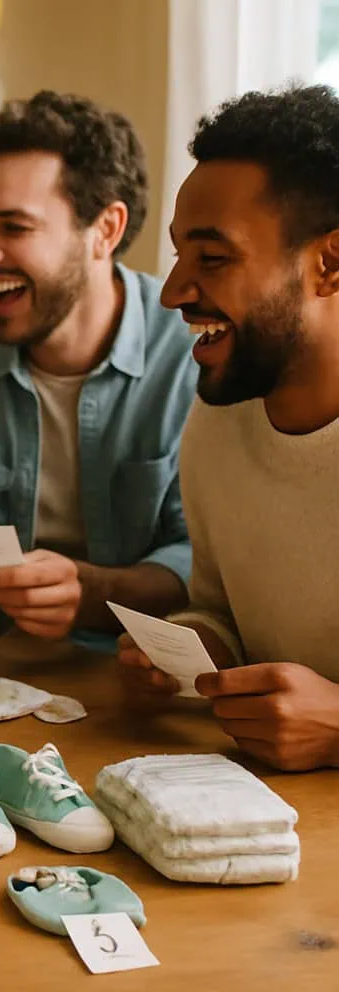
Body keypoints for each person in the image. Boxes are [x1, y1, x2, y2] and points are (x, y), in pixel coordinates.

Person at [0, 90, 197, 661]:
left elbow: (200, 559)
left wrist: (91, 592)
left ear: (105, 230)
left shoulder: (190, 350)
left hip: (136, 677)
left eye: (15, 227)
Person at [119, 84, 339, 772]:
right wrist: (186, 652)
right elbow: (219, 611)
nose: (173, 291)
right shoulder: (216, 420)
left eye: (212, 260)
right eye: (180, 253)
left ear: (329, 264)